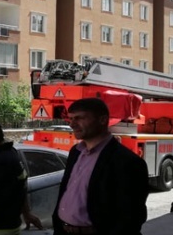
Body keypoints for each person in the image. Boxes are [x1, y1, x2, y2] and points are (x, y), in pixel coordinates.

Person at [53, 98, 149, 235]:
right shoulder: (75, 152)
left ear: (103, 120)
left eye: (80, 118)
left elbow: (130, 217)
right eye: (71, 119)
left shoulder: (127, 162)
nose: (72, 124)